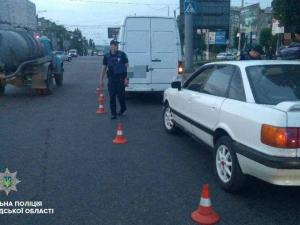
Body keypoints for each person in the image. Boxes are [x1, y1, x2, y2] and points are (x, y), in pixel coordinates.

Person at [100, 40, 129, 119]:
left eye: (117, 45)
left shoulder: (122, 55)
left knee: (121, 96)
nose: (117, 46)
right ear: (111, 46)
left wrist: (127, 79)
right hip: (112, 79)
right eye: (115, 45)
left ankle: (123, 108)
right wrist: (101, 80)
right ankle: (113, 113)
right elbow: (103, 68)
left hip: (121, 79)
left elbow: (127, 67)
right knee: (112, 96)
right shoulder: (106, 56)